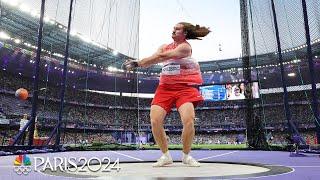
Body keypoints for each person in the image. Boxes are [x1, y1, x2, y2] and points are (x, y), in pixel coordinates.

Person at [123, 22, 210, 167]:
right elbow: (156, 57)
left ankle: (186, 156)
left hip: (184, 88)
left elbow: (162, 56)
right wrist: (143, 62)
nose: (173, 30)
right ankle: (166, 156)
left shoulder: (185, 47)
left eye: (177, 29)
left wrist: (138, 63)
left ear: (185, 33)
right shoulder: (164, 46)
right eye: (173, 28)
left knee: (189, 120)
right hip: (164, 88)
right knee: (155, 120)